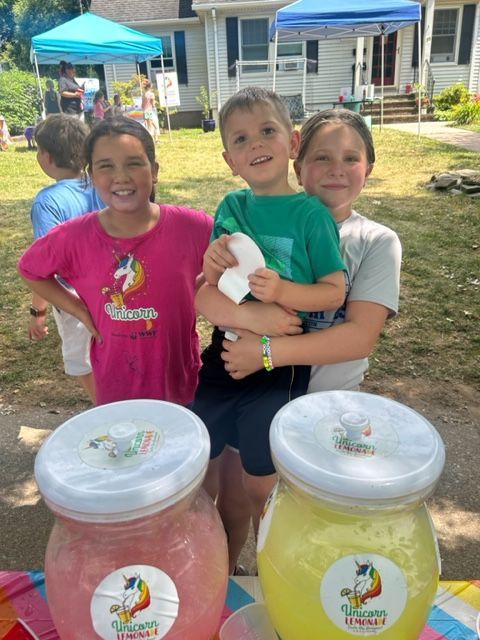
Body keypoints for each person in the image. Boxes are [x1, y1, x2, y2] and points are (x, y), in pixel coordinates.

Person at [196, 108, 402, 573]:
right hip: (243, 382)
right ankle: (226, 579)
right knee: (234, 494)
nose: (336, 168)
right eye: (321, 156)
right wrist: (253, 318)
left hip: (321, 411)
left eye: (352, 158)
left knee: (296, 511)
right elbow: (205, 295)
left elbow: (359, 338)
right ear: (297, 160)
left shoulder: (375, 241)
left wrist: (264, 351)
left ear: (369, 166)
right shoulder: (253, 217)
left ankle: (284, 583)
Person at [192, 87, 346, 569]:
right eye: (240, 138)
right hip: (222, 354)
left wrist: (282, 293)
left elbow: (333, 291)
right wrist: (212, 262)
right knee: (201, 465)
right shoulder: (232, 208)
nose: (255, 143)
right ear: (229, 159)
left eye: (267, 130)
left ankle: (271, 566)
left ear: (292, 141)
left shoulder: (311, 216)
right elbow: (210, 290)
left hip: (279, 362)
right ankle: (209, 563)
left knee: (262, 480)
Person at [18, 116, 212, 407]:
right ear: (92, 176)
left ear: (154, 170)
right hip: (116, 386)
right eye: (106, 166)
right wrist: (78, 309)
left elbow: (229, 265)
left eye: (134, 163)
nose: (121, 176)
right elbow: (30, 270)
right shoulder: (73, 237)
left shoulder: (193, 226)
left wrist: (194, 289)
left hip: (179, 380)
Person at [26, 114, 104, 403]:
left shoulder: (47, 202)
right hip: (114, 288)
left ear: (46, 157)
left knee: (83, 363)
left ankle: (108, 410)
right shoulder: (101, 184)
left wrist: (38, 312)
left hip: (73, 299)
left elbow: (43, 267)